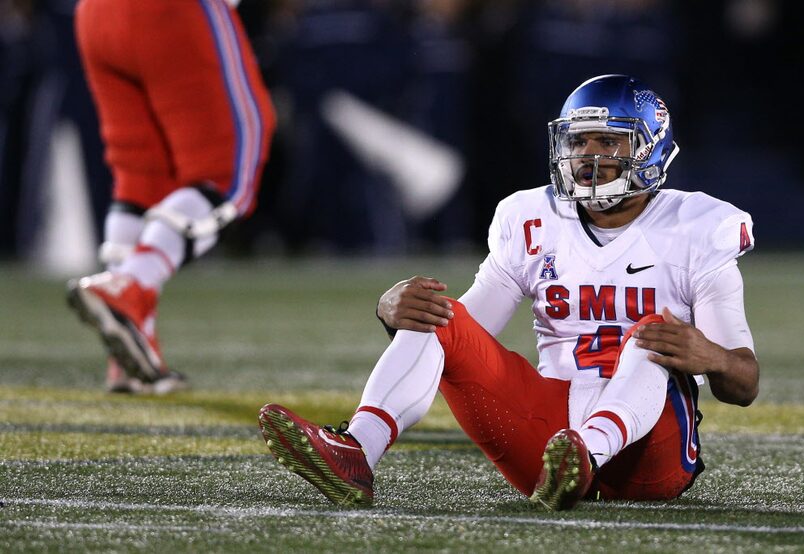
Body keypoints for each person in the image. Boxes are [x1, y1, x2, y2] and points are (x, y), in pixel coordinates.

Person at [258, 74, 759, 510]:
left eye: (608, 143)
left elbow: (743, 384)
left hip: (651, 452)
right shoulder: (531, 217)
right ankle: (357, 451)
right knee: (441, 314)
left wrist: (710, 356)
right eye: (578, 142)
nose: (588, 157)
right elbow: (465, 330)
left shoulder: (698, 225)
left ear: (649, 147)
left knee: (655, 335)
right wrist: (395, 313)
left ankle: (589, 450)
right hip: (548, 437)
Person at [67, 0, 276, 394]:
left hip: (95, 15)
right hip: (176, 12)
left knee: (142, 175)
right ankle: (130, 287)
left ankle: (131, 349)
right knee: (226, 173)